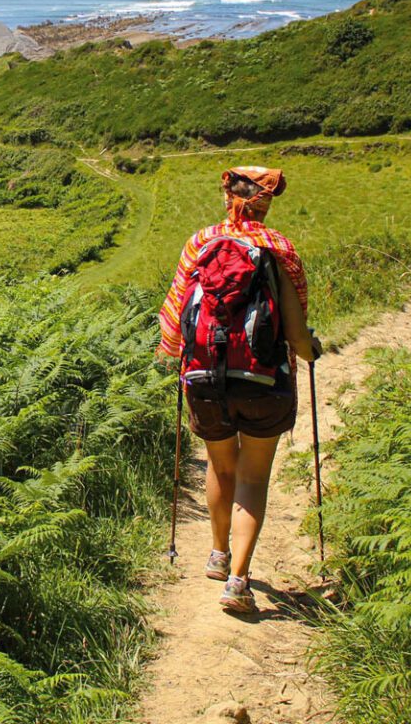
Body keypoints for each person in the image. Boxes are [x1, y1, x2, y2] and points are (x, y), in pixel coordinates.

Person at [157, 165, 320, 613]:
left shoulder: (200, 242)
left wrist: (176, 354)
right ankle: (239, 581)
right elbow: (297, 334)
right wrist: (312, 350)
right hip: (263, 381)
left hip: (205, 378)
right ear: (265, 205)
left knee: (220, 464)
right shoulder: (279, 250)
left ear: (227, 197)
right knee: (253, 475)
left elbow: (173, 318)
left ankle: (217, 553)